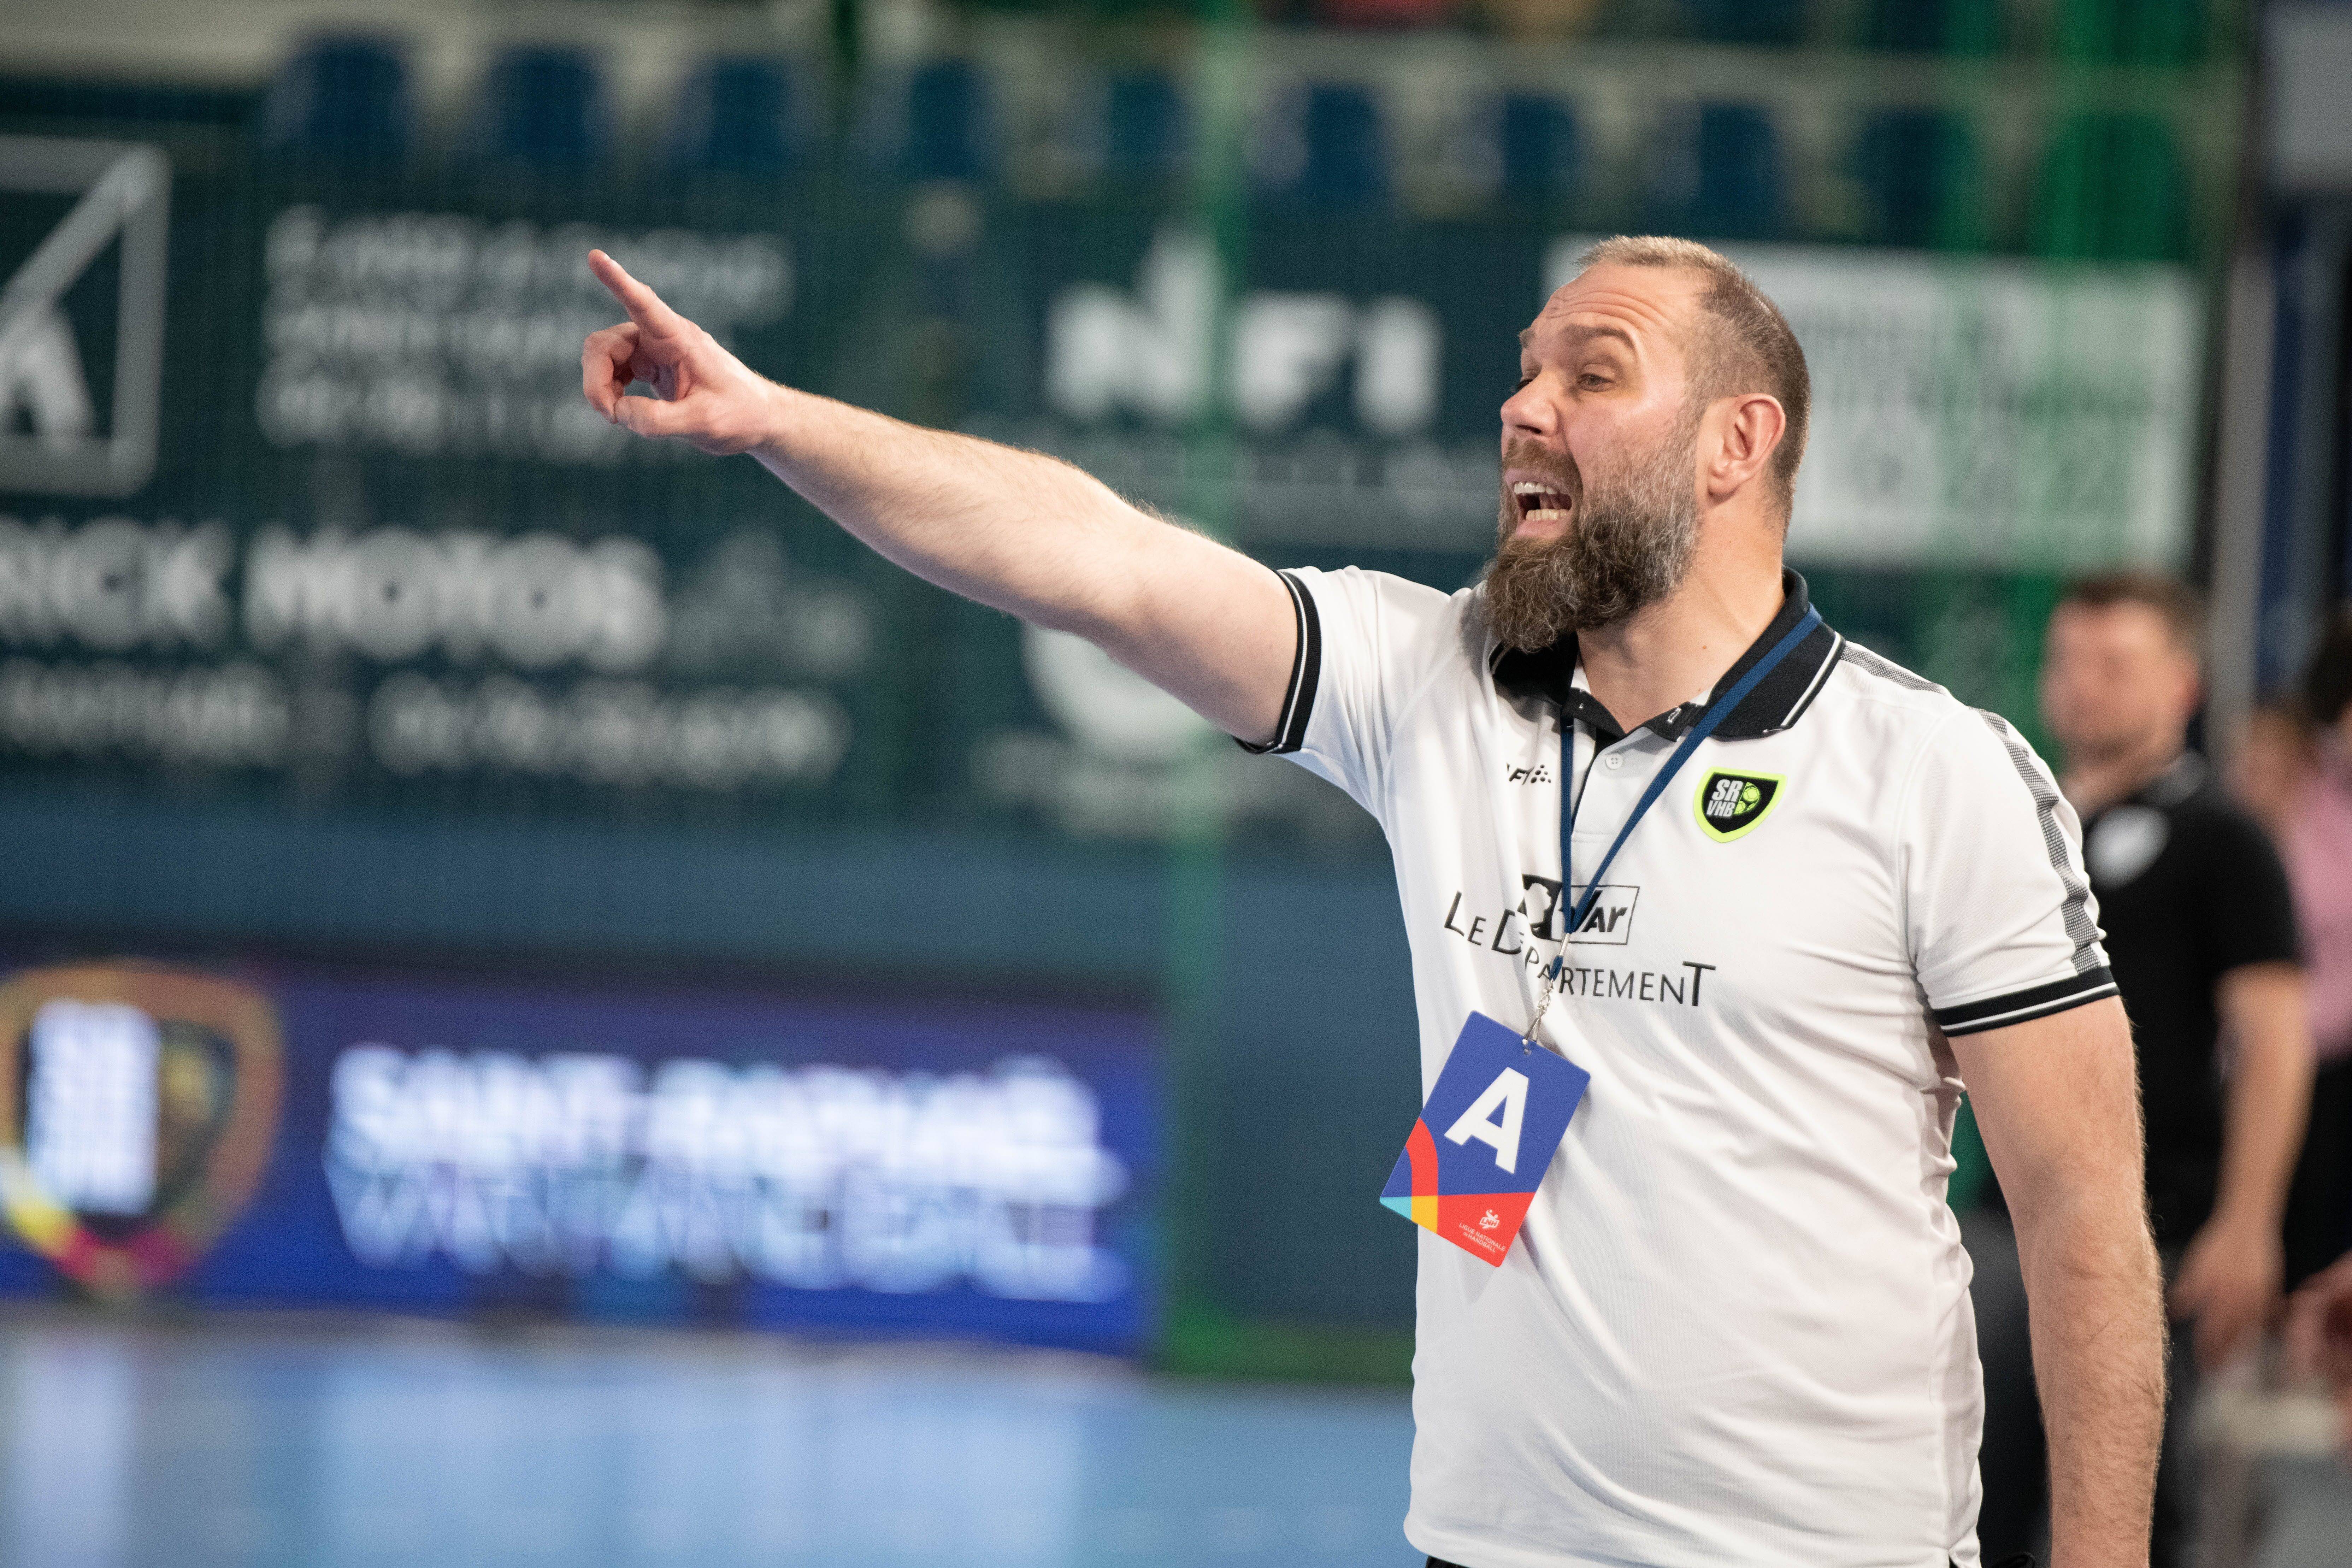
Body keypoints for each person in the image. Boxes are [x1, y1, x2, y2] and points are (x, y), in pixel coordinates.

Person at [579, 234, 2164, 1568]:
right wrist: (774, 418)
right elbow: (1097, 561)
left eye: (1593, 374)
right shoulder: (1436, 683)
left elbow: (2086, 1218)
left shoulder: (1934, 773)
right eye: (1528, 369)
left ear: (1736, 445)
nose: (1523, 408)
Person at [1972, 574, 2311, 1568]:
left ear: (2180, 684)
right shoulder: (2020, 827)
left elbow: (2273, 1040)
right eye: (2067, 661)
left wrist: (2247, 1225)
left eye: (2114, 665)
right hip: (2007, 1213)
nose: (2083, 687)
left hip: (2162, 1223)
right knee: (1985, 1483)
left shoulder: (2222, 839)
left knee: (2132, 1505)